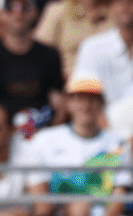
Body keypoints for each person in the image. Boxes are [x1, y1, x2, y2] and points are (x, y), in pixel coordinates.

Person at [26, 75, 130, 211]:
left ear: (102, 103)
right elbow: (40, 199)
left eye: (92, 99)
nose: (86, 105)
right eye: (79, 99)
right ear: (68, 103)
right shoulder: (45, 140)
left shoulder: (118, 143)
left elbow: (119, 195)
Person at [35, 0, 112, 78]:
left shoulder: (115, 16)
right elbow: (38, 54)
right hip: (65, 81)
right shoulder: (57, 11)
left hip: (108, 82)